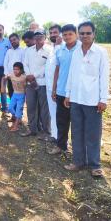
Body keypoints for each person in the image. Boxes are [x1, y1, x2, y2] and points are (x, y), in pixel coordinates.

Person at [63, 21, 110, 177]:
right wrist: (68, 94)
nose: (84, 36)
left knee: (93, 134)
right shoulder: (76, 52)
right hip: (76, 98)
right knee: (76, 132)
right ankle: (78, 161)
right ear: (78, 34)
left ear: (94, 34)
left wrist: (103, 99)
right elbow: (71, 74)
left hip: (92, 100)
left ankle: (95, 165)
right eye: (82, 33)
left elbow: (104, 76)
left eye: (88, 33)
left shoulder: (101, 52)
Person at [48, 24, 80, 155]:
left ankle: (78, 152)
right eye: (65, 34)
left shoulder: (81, 49)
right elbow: (57, 70)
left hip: (77, 93)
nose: (67, 37)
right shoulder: (60, 50)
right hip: (61, 91)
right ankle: (61, 146)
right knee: (61, 121)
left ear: (76, 34)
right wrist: (54, 89)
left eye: (70, 34)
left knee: (77, 124)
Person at [21, 29, 52, 139]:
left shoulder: (49, 50)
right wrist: (29, 75)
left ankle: (46, 132)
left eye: (40, 36)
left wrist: (34, 75)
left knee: (44, 109)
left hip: (43, 83)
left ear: (45, 37)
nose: (38, 38)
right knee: (31, 106)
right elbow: (25, 64)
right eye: (36, 36)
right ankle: (32, 129)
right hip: (30, 83)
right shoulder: (29, 50)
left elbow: (48, 66)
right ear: (34, 38)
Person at [44, 24, 62, 140]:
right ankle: (54, 136)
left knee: (60, 115)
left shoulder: (63, 48)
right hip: (49, 86)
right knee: (53, 112)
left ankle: (60, 138)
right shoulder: (52, 48)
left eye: (55, 32)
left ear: (60, 33)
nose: (53, 35)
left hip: (59, 88)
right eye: (51, 33)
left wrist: (55, 88)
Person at [1, 62, 26, 132]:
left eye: (17, 69)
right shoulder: (11, 75)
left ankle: (16, 126)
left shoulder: (24, 77)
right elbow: (3, 78)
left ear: (21, 70)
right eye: (14, 69)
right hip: (14, 94)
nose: (15, 71)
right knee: (10, 108)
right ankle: (18, 118)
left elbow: (27, 86)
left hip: (22, 95)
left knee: (18, 111)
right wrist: (2, 87)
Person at [3, 33, 25, 98]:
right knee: (11, 93)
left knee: (19, 95)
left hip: (19, 78)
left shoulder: (23, 51)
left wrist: (19, 74)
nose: (13, 41)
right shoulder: (9, 51)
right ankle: (13, 108)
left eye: (14, 39)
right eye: (11, 40)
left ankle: (19, 108)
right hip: (10, 77)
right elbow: (5, 63)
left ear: (19, 39)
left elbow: (24, 64)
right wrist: (7, 74)